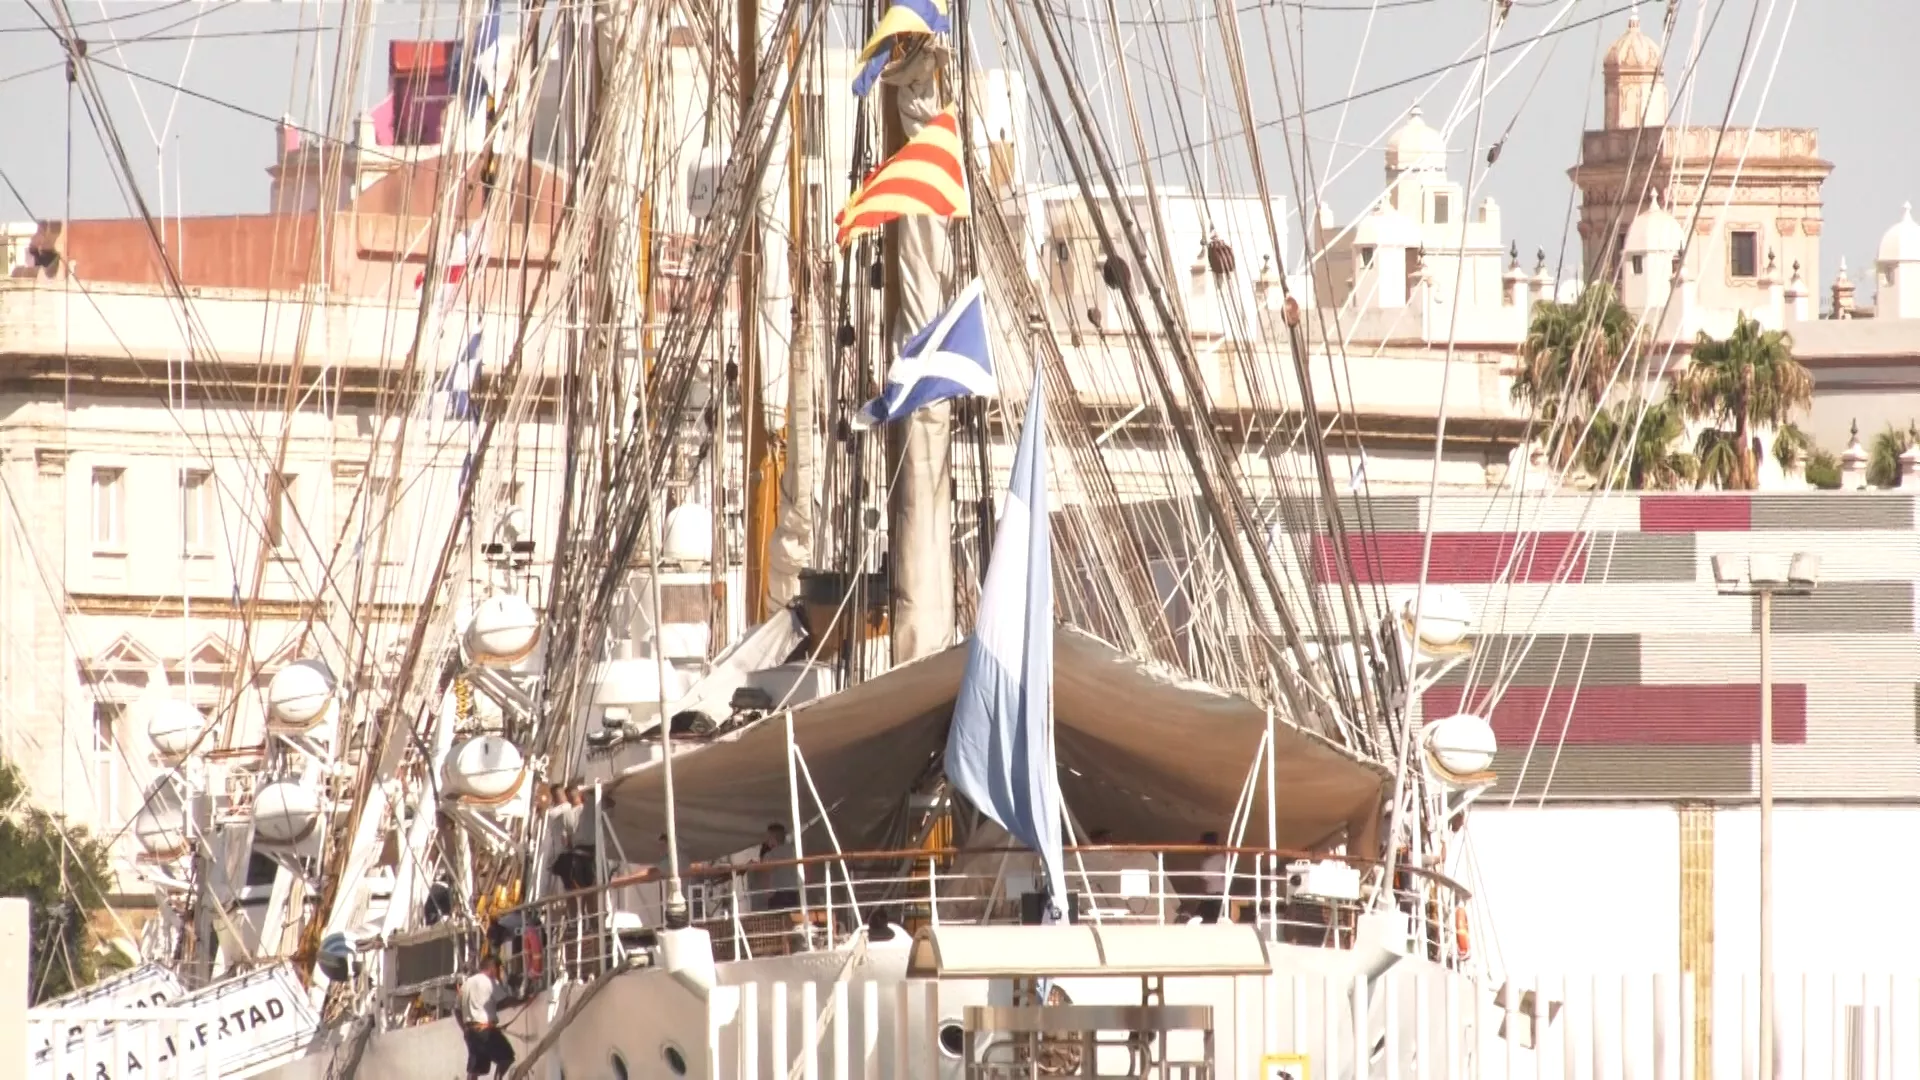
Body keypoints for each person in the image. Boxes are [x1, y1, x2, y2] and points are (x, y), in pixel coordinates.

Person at [460, 955, 518, 1080]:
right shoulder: (488, 981)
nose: (498, 973)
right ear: (492, 967)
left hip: (470, 1032)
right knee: (506, 1058)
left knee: (474, 1069)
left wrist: (464, 1028)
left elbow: (456, 1009)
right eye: (498, 969)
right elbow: (504, 1001)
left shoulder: (467, 984)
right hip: (486, 1031)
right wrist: (521, 1000)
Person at [1192, 831, 1227, 923]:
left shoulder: (1208, 863)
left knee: (1200, 920)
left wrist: (1197, 900)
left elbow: (1203, 884)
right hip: (1223, 897)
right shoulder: (1223, 859)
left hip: (1212, 899)